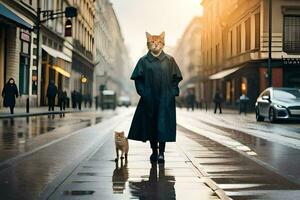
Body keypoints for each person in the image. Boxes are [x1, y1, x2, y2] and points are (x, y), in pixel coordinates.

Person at [128, 32, 183, 164]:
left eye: (158, 42)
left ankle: (162, 153)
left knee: (163, 125)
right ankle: (154, 151)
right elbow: (138, 79)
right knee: (151, 125)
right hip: (149, 99)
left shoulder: (170, 60)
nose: (155, 44)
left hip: (165, 98)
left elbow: (176, 78)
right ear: (148, 44)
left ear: (163, 43)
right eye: (152, 42)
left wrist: (172, 92)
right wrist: (143, 93)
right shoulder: (143, 61)